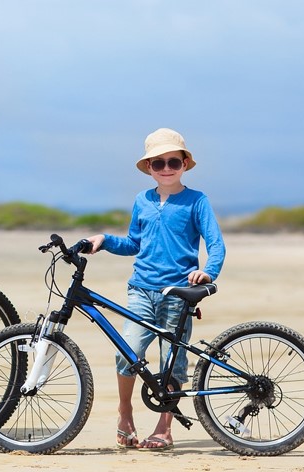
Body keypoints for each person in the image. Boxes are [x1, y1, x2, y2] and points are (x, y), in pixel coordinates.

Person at [85, 128, 226, 451]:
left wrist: (207, 272)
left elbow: (216, 245)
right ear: (148, 167)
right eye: (158, 163)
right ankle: (125, 412)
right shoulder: (142, 201)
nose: (165, 168)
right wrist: (105, 241)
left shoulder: (197, 201)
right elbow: (134, 243)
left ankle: (165, 427)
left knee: (171, 364)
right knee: (127, 354)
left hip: (178, 294)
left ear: (184, 164)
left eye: (172, 162)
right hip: (141, 291)